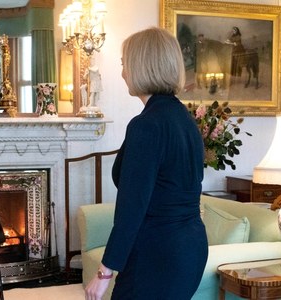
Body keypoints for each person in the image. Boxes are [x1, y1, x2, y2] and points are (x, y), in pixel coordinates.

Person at [85, 27, 208, 300]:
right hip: (191, 248)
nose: (123, 72)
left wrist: (105, 271)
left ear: (142, 66)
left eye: (124, 64)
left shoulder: (147, 125)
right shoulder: (186, 121)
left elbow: (132, 207)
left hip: (158, 253)